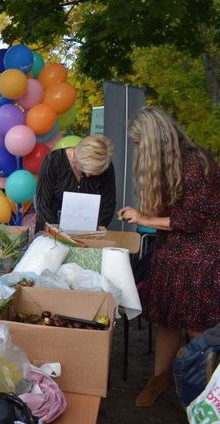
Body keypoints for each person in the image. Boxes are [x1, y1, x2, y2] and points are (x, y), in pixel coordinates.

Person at [118, 107, 219, 408]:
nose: (137, 150)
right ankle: (159, 378)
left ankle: (205, 393)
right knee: (168, 321)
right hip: (173, 255)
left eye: (139, 144)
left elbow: (193, 220)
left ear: (153, 140)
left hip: (201, 258)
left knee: (198, 328)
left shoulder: (196, 163)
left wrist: (143, 216)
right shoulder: (171, 163)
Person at [35, 135, 116, 233]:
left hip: (89, 233)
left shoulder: (104, 165)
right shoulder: (53, 161)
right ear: (75, 158)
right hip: (50, 230)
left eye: (93, 173)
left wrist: (99, 225)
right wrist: (54, 230)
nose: (87, 175)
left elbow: (108, 203)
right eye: (84, 169)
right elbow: (43, 201)